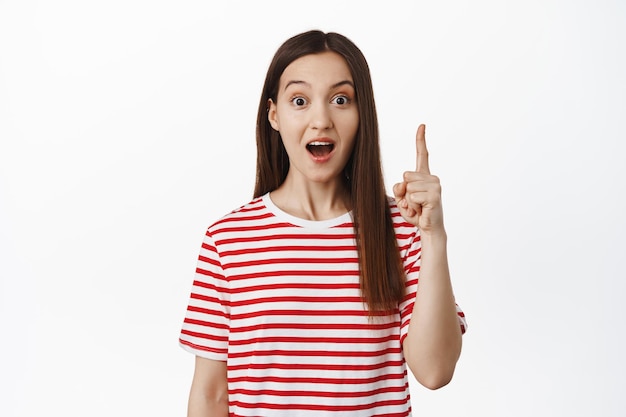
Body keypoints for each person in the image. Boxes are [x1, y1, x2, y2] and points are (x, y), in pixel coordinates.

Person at [179, 29, 467, 417]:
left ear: (362, 113)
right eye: (300, 100)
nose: (321, 120)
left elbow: (435, 371)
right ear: (274, 115)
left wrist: (433, 237)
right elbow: (211, 394)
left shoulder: (402, 229)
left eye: (341, 99)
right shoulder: (228, 240)